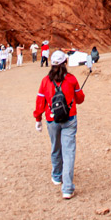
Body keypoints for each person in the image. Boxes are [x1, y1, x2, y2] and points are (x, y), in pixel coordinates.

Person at [33, 50, 85, 199]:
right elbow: (80, 99)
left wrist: (38, 119)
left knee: (56, 147)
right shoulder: (71, 79)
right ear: (65, 63)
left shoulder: (45, 81)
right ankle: (67, 188)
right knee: (69, 152)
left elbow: (40, 102)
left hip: (51, 119)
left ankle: (57, 176)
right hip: (69, 119)